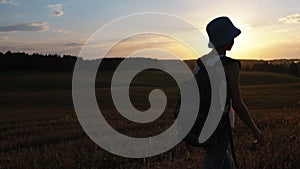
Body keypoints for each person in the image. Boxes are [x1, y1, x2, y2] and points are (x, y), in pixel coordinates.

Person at [196, 16, 264, 169]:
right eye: (232, 37)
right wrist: (255, 130)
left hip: (202, 123)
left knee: (224, 162)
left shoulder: (201, 62)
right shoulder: (231, 66)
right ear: (227, 41)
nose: (233, 40)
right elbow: (237, 103)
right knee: (214, 163)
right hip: (220, 126)